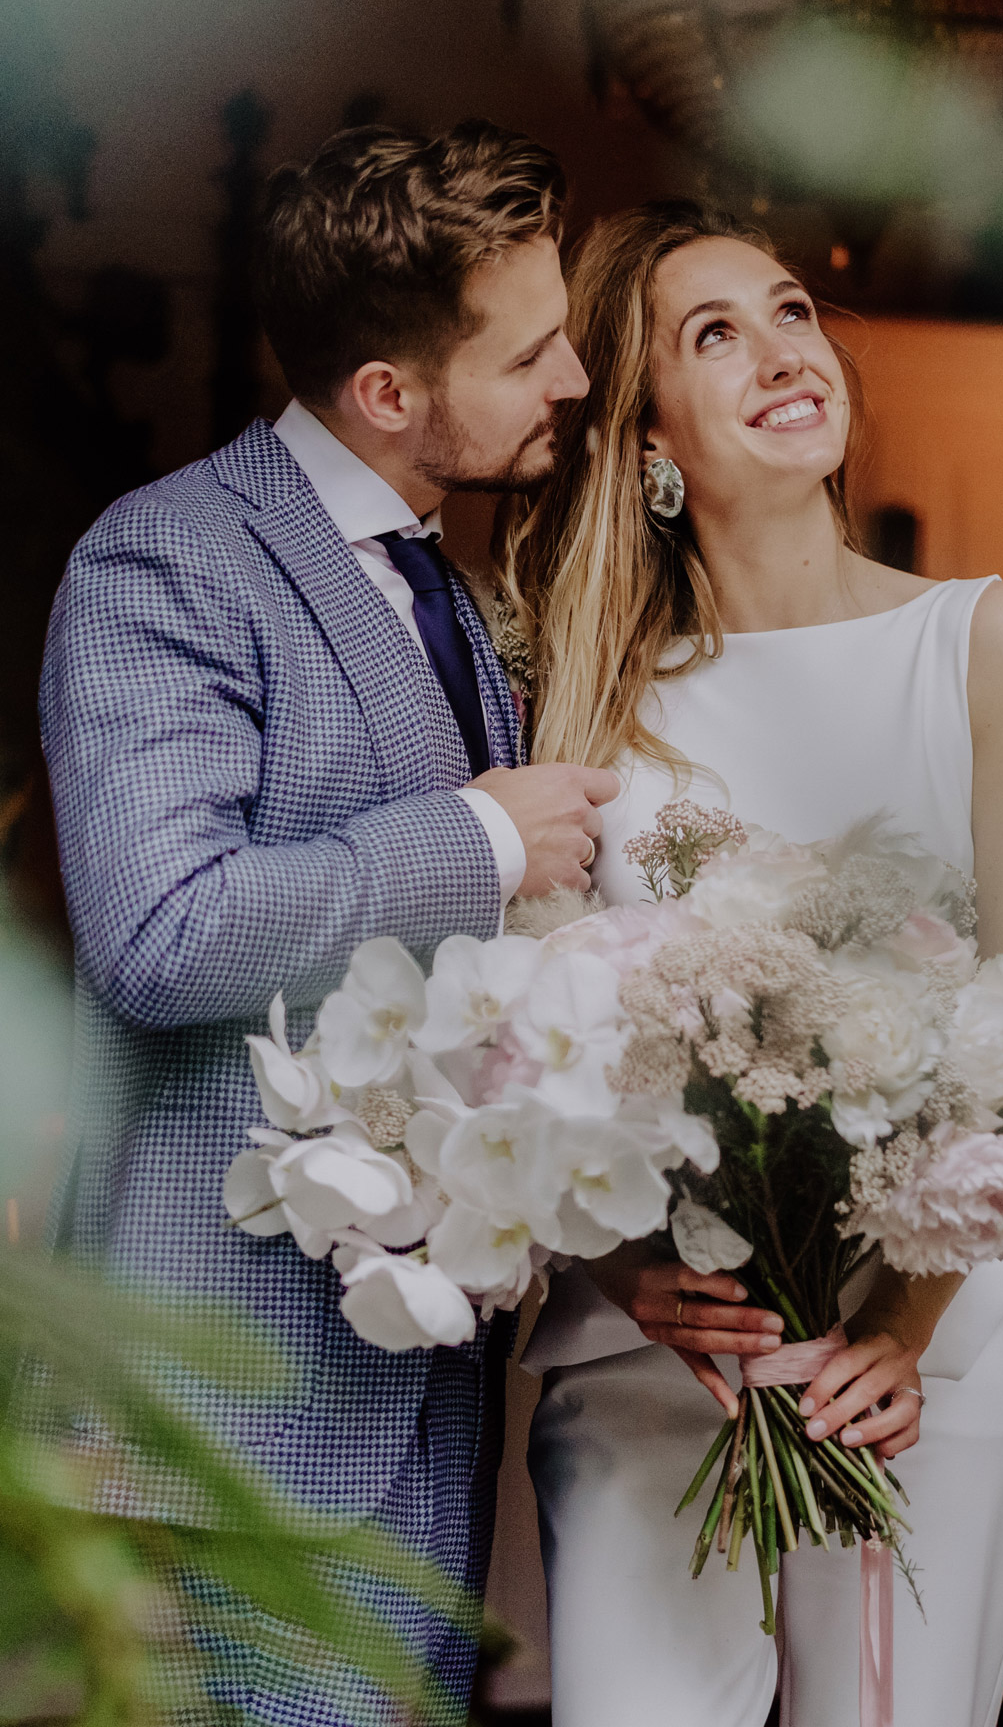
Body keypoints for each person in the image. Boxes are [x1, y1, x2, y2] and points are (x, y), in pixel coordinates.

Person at [38, 120, 615, 1727]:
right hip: (246, 1414)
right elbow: (161, 935)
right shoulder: (167, 559)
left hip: (417, 1395)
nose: (573, 377)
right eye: (534, 351)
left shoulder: (441, 582)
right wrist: (478, 836)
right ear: (386, 394)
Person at [500, 200, 1003, 1727]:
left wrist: (900, 1330)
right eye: (713, 337)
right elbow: (521, 1052)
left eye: (790, 313)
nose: (779, 352)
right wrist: (622, 1269)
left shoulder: (994, 646)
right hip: (651, 1371)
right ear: (647, 442)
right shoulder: (580, 706)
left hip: (918, 1369)